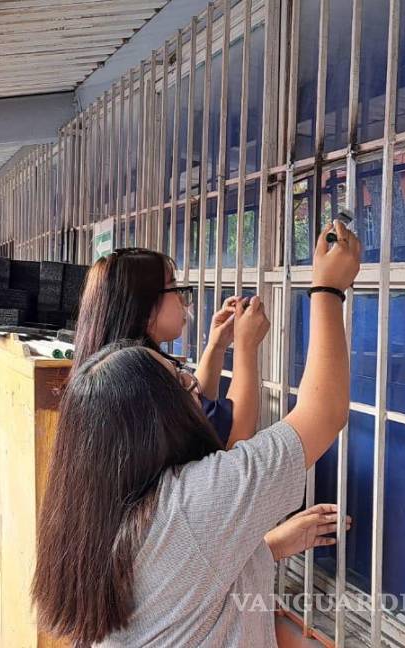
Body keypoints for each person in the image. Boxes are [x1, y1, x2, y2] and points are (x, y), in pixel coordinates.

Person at [32, 222, 361, 646]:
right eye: (184, 385)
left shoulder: (95, 502)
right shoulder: (188, 504)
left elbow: (190, 580)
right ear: (157, 420)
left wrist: (270, 546)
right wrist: (328, 291)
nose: (197, 389)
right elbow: (323, 411)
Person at [72, 248, 252, 447]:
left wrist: (217, 346)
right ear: (145, 308)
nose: (183, 300)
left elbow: (195, 414)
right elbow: (234, 436)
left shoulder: (117, 365)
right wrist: (247, 346)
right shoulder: (139, 376)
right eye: (174, 288)